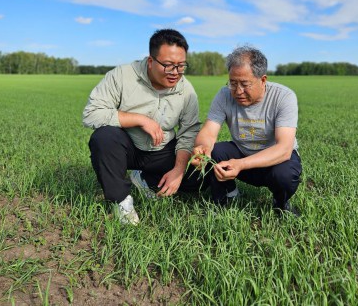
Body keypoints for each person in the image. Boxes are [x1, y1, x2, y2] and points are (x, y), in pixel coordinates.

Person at [83, 29, 207, 225]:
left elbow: (189, 131)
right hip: (127, 148)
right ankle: (121, 200)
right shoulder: (121, 76)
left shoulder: (187, 90)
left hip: (162, 149)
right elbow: (91, 114)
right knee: (104, 138)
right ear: (151, 61)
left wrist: (178, 169)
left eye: (181, 66)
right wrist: (139, 119)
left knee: (199, 179)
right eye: (168, 65)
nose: (175, 73)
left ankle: (145, 179)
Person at [191, 45, 302, 216]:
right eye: (233, 83)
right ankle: (222, 200)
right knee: (216, 151)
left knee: (284, 174)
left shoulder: (283, 97)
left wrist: (241, 164)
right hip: (242, 153)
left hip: (273, 160)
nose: (238, 91)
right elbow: (209, 131)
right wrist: (202, 148)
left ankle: (280, 204)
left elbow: (284, 149)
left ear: (263, 80)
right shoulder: (224, 95)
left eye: (245, 84)